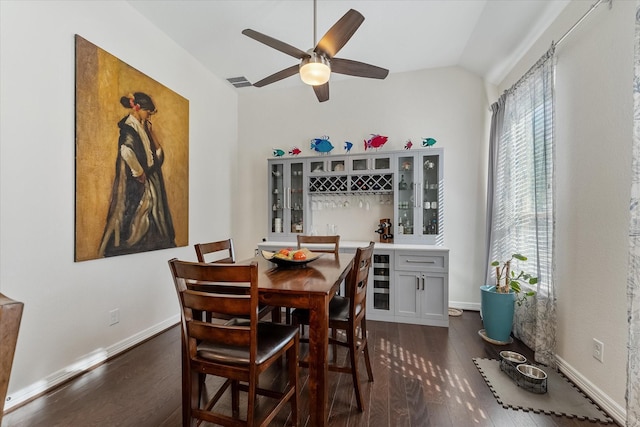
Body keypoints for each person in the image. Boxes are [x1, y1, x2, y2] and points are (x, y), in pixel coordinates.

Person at [99, 92, 176, 257]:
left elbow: (157, 156)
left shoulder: (142, 127)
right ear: (138, 108)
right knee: (134, 215)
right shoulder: (129, 127)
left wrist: (151, 132)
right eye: (148, 112)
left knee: (152, 216)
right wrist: (139, 172)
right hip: (136, 182)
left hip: (149, 180)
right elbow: (126, 151)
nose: (149, 115)